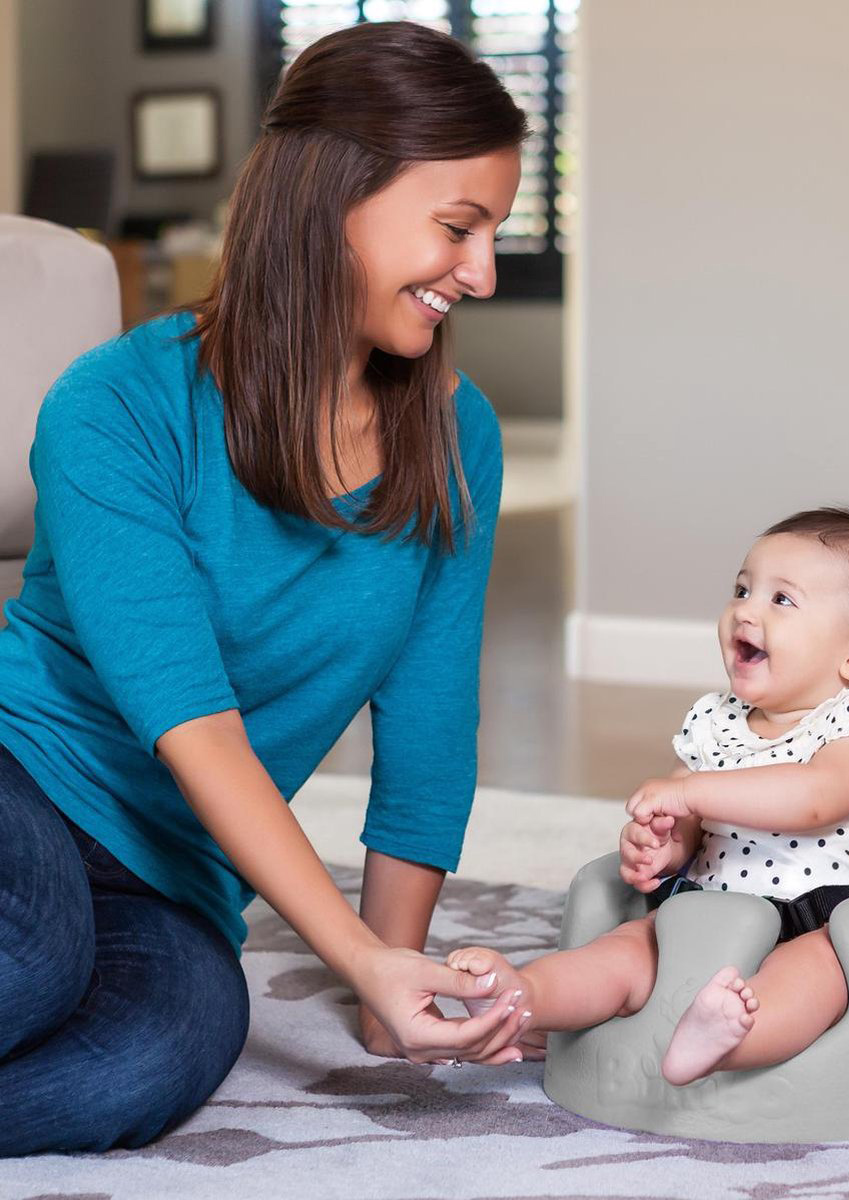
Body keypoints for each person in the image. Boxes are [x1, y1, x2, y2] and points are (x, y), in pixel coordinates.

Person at [0, 21, 535, 1156]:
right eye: (457, 226)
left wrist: (400, 987)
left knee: (157, 1056)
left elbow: (432, 716)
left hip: (170, 872)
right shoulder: (115, 407)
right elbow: (188, 719)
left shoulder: (456, 437)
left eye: (494, 232)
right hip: (21, 778)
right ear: (331, 196)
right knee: (30, 958)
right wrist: (350, 949)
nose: (480, 273)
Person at [446, 507, 849, 1086]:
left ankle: (729, 1040)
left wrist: (692, 793)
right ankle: (522, 1002)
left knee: (821, 974)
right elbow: (688, 829)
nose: (745, 611)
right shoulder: (716, 721)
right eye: (742, 589)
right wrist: (660, 847)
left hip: (824, 916)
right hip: (706, 907)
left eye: (782, 600)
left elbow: (814, 799)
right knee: (627, 950)